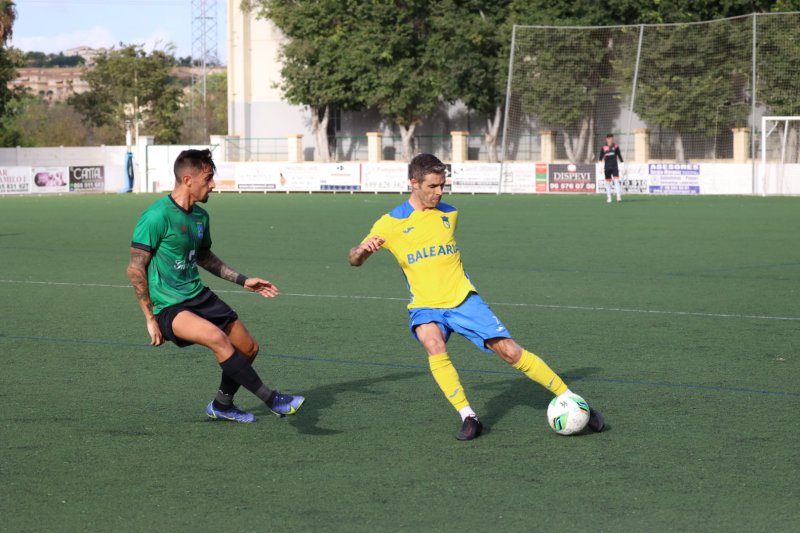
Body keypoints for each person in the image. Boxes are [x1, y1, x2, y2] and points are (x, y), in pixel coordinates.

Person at [348, 153, 604, 440]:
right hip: (425, 304)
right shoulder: (390, 223)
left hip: (463, 299)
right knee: (433, 344)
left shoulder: (450, 213)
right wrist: (362, 251)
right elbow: (354, 259)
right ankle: (468, 416)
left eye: (442, 185)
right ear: (414, 183)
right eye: (432, 186)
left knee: (510, 352)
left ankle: (571, 398)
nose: (439, 192)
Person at [126, 148, 304, 423]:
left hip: (198, 295)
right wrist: (150, 317)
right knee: (218, 339)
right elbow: (135, 268)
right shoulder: (156, 216)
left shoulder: (200, 217)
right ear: (188, 180)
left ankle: (222, 405)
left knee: (247, 347)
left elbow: (204, 257)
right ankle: (273, 400)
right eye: (208, 178)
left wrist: (243, 280)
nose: (213, 185)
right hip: (169, 306)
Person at [599, 133, 623, 203]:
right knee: (608, 183)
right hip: (607, 168)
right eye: (609, 139)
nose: (610, 140)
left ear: (613, 139)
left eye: (611, 138)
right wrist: (600, 167)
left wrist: (622, 165)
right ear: (606, 139)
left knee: (616, 181)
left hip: (614, 167)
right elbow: (600, 158)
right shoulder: (603, 147)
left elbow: (619, 156)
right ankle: (609, 197)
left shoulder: (616, 147)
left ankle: (618, 197)